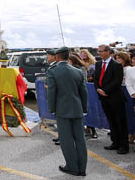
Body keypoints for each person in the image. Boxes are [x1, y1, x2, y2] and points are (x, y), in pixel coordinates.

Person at [47, 47, 88, 176]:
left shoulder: (53, 71)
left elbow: (51, 91)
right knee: (80, 139)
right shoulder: (77, 71)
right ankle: (82, 168)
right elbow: (84, 92)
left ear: (58, 56)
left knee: (66, 140)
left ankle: (72, 166)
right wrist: (84, 108)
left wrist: (52, 108)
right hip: (77, 108)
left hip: (62, 109)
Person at [94, 44, 129, 154]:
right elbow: (96, 78)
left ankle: (124, 145)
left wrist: (105, 90)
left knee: (120, 121)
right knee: (111, 120)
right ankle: (115, 142)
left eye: (101, 51)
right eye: (98, 51)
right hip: (103, 98)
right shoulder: (98, 64)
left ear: (108, 52)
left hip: (115, 97)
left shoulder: (117, 65)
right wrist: (98, 89)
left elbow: (117, 81)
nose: (99, 53)